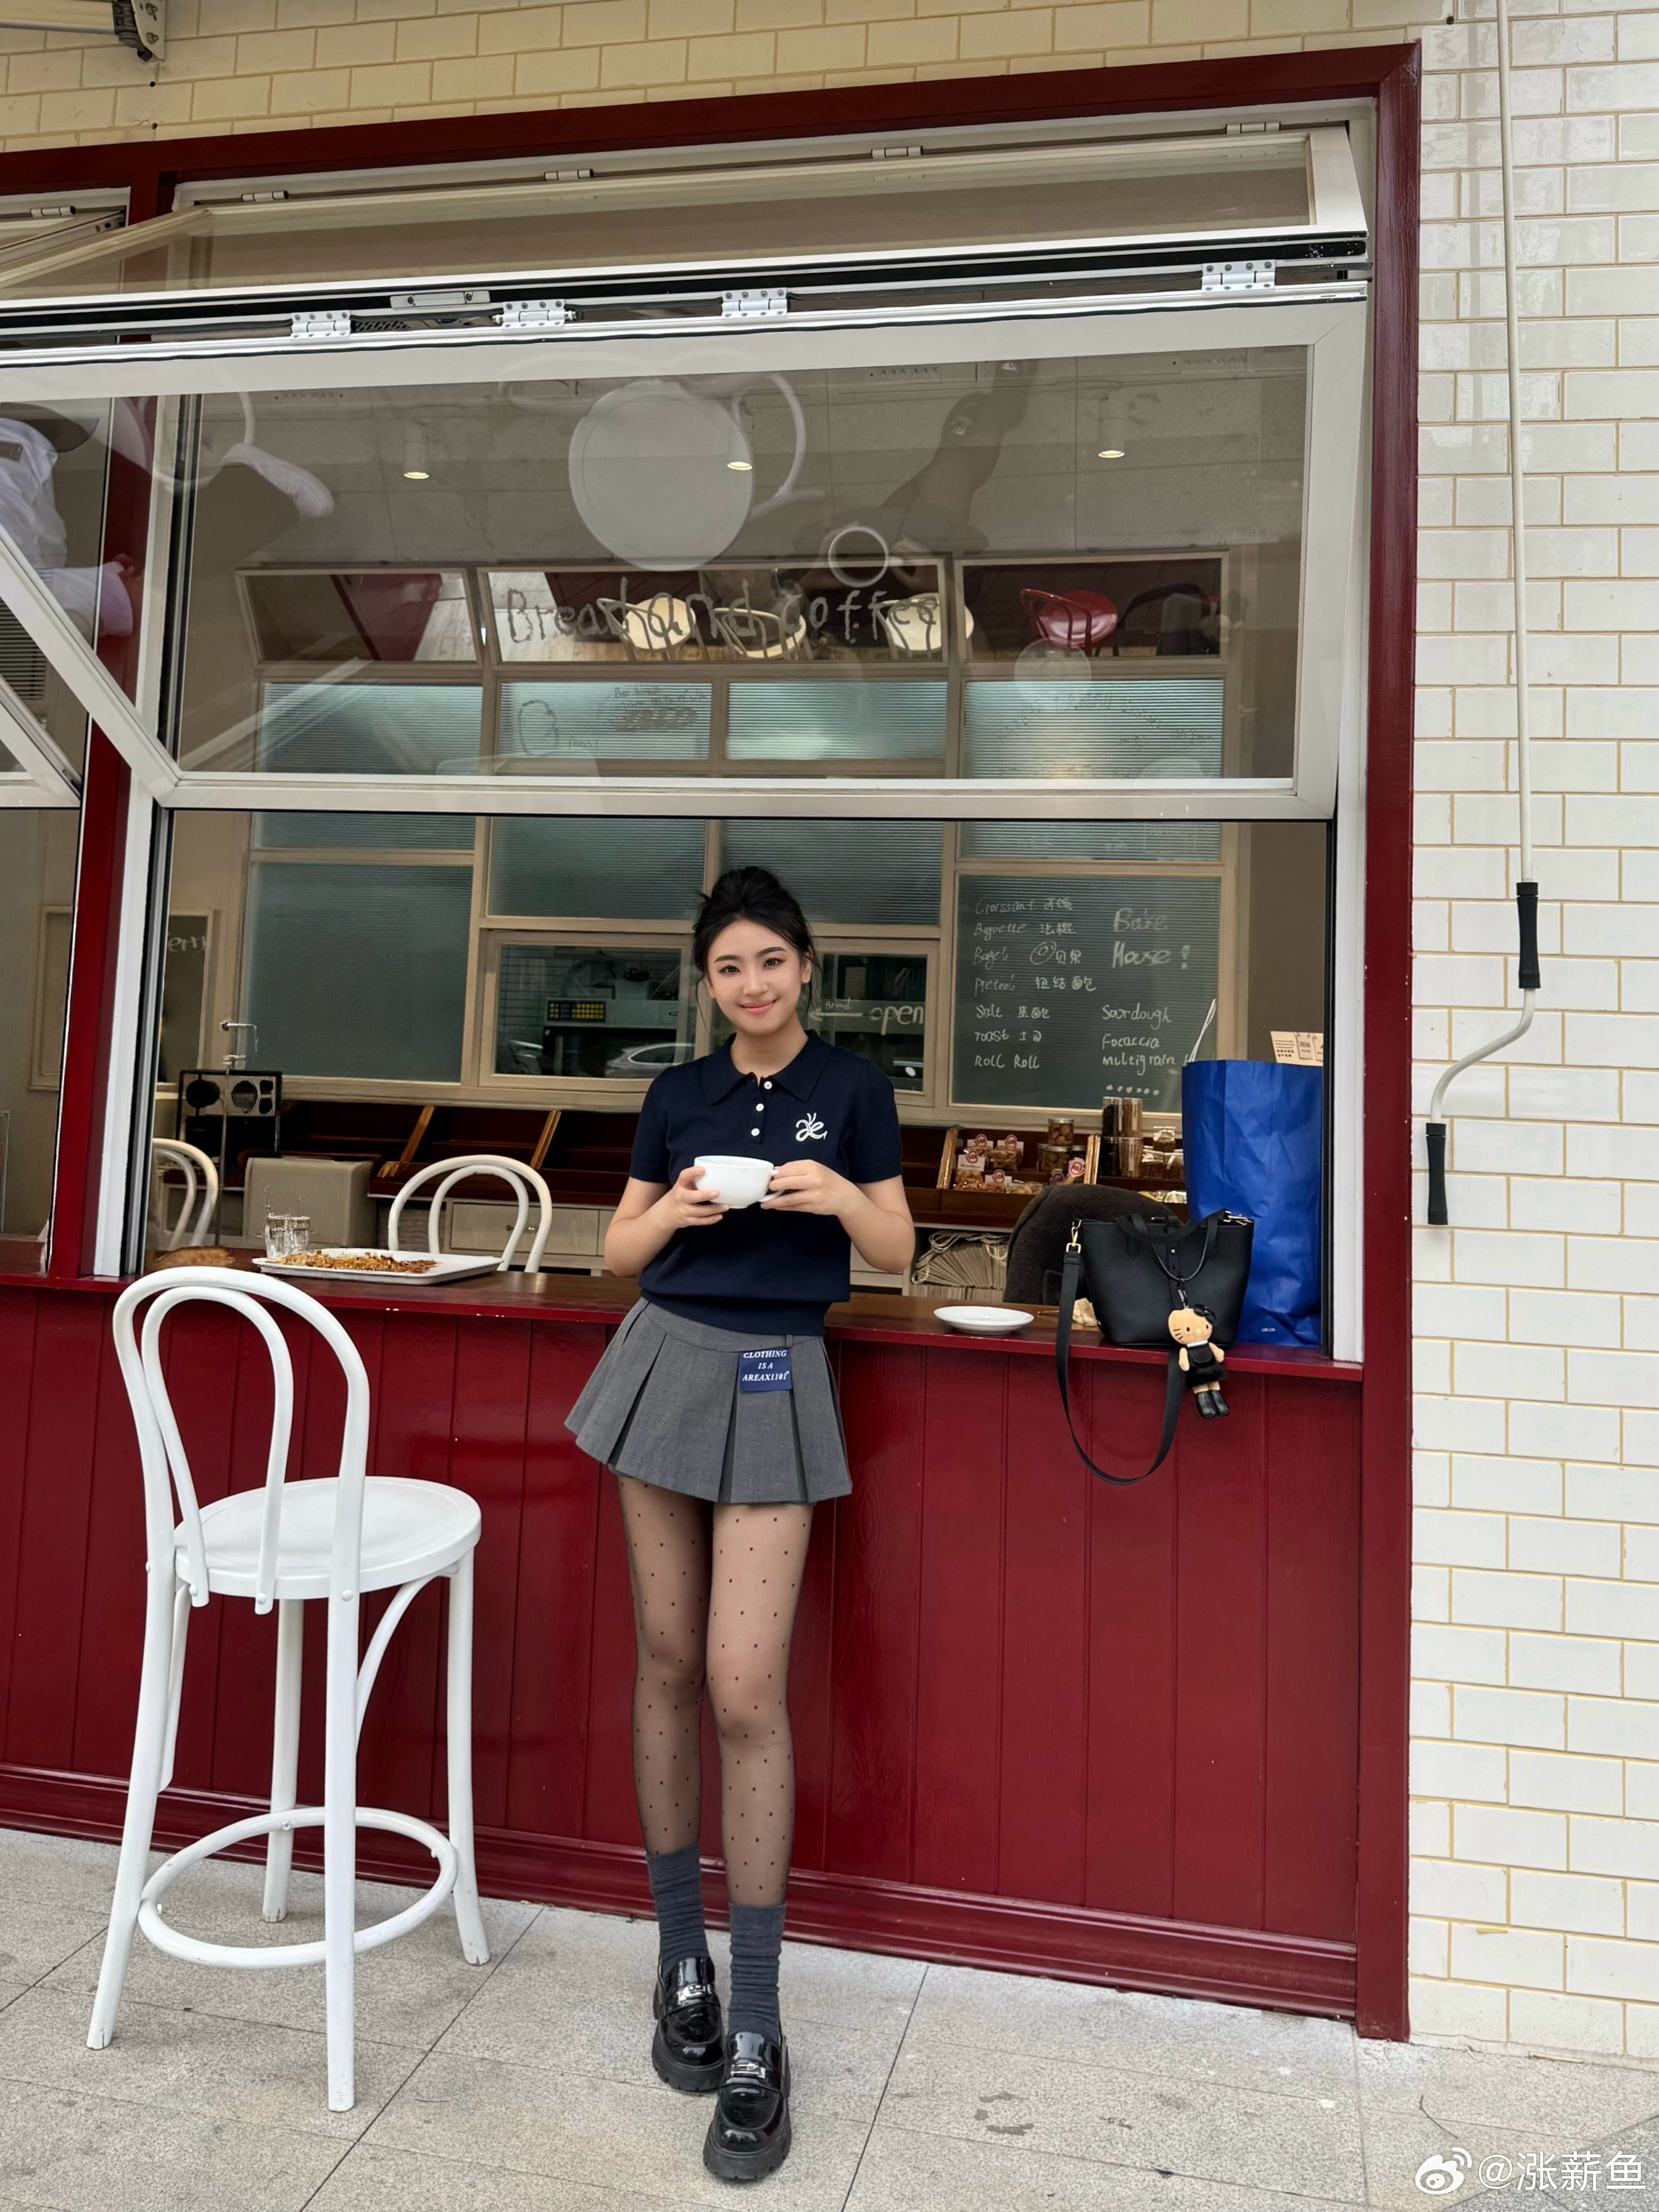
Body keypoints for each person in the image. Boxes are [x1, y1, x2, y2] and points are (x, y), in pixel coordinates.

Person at [565, 864, 913, 2184]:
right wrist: (672, 1209)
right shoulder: (676, 1096)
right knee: (664, 1662)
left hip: (778, 1374)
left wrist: (837, 1197)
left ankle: (758, 2019)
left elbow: (894, 1249)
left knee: (741, 1685)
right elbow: (616, 1254)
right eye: (729, 967)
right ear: (706, 984)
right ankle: (680, 1965)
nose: (752, 984)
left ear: (806, 968)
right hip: (663, 1360)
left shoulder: (856, 1089)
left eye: (771, 961)